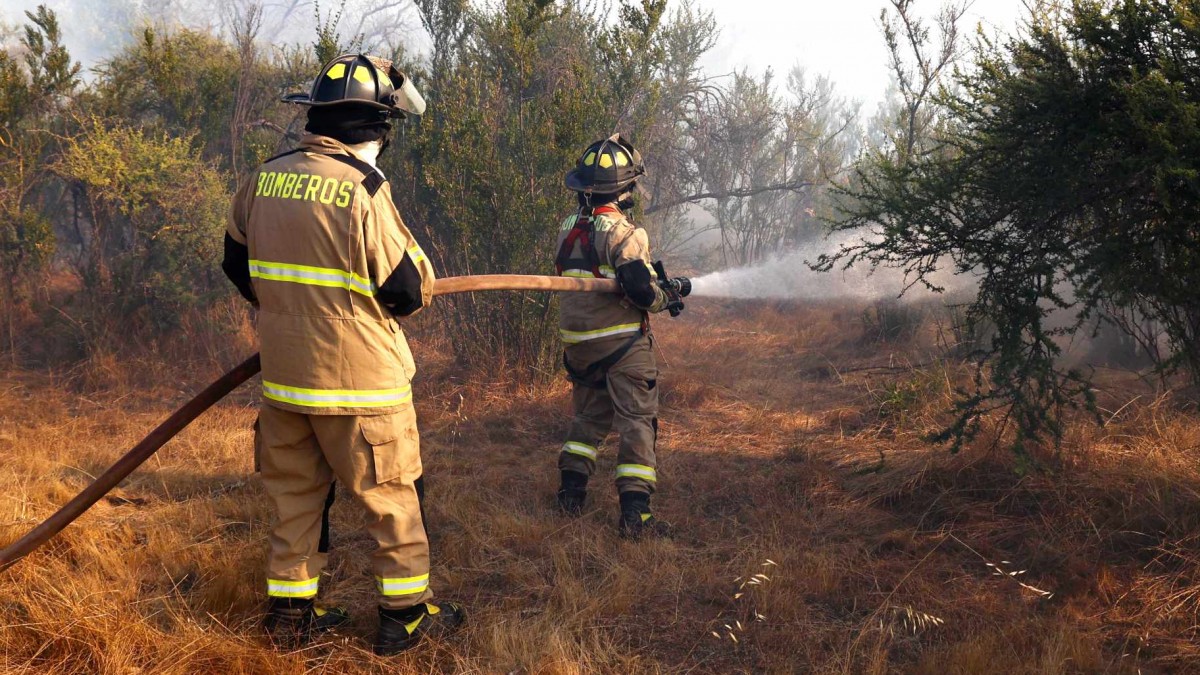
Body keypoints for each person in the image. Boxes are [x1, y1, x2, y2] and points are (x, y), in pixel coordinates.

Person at [221, 53, 464, 655]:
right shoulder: (363, 189)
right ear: (380, 127)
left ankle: (289, 618)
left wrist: (290, 311)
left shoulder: (264, 177)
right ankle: (405, 616)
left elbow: (236, 263)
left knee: (295, 501)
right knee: (391, 500)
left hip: (285, 382)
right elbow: (407, 290)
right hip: (363, 390)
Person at [553, 133, 680, 539]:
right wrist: (666, 294)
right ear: (624, 189)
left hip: (578, 344)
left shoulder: (568, 227)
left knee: (588, 417)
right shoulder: (626, 234)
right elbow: (641, 292)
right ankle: (636, 515)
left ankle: (570, 495)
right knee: (637, 422)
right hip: (621, 346)